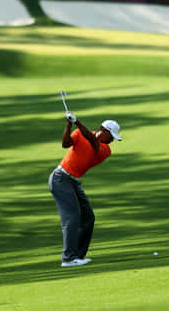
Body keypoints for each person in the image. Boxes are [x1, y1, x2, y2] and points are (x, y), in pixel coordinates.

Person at [48, 111, 122, 267]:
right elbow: (65, 144)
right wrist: (69, 124)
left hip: (73, 182)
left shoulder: (105, 150)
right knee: (72, 217)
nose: (112, 141)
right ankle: (68, 258)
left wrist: (77, 122)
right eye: (112, 137)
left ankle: (77, 256)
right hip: (60, 179)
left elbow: (91, 140)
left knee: (88, 217)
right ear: (104, 132)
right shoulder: (80, 134)